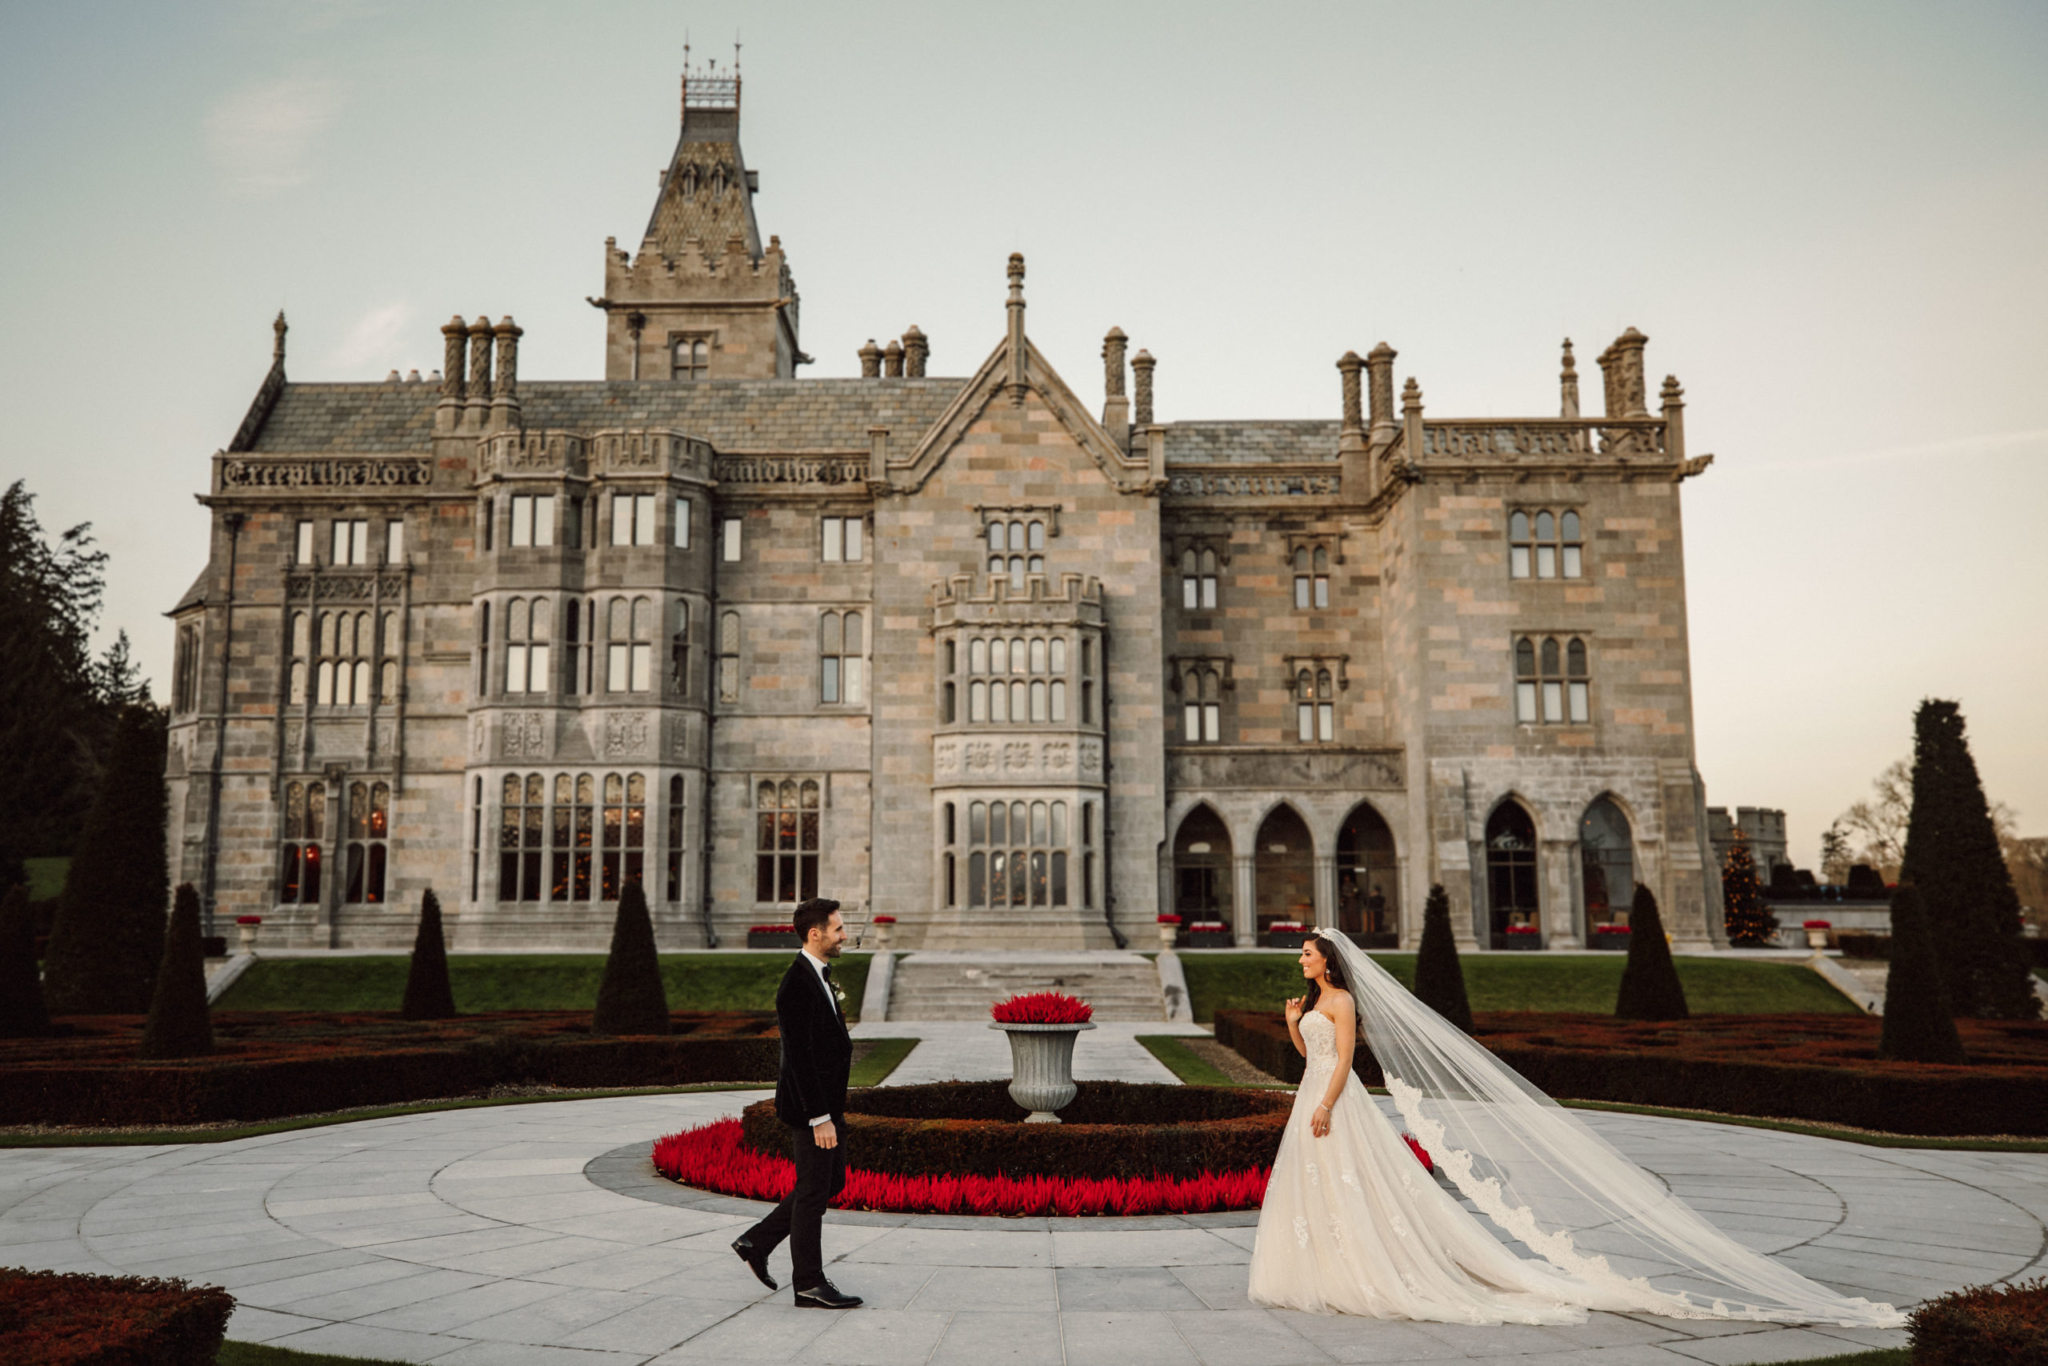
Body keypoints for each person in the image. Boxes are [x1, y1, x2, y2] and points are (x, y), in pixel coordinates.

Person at [1248, 933, 1905, 1328]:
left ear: (1326, 959)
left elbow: (1344, 1065)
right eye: (1300, 953)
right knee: (1322, 1191)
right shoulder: (1307, 1004)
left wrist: (1329, 1105)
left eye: (1306, 952)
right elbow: (1310, 1060)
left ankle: (1369, 1269)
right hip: (1314, 1092)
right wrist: (1287, 1024)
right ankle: (1328, 1267)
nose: (1300, 958)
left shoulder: (1343, 1001)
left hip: (1335, 1102)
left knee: (1352, 1183)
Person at [732, 897, 861, 1309]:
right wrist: (819, 1117)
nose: (845, 935)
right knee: (811, 1192)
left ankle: (757, 1241)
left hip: (827, 1105)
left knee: (830, 1183)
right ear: (815, 933)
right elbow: (800, 1059)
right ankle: (808, 1281)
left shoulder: (819, 975)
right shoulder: (796, 985)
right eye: (839, 929)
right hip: (812, 1108)